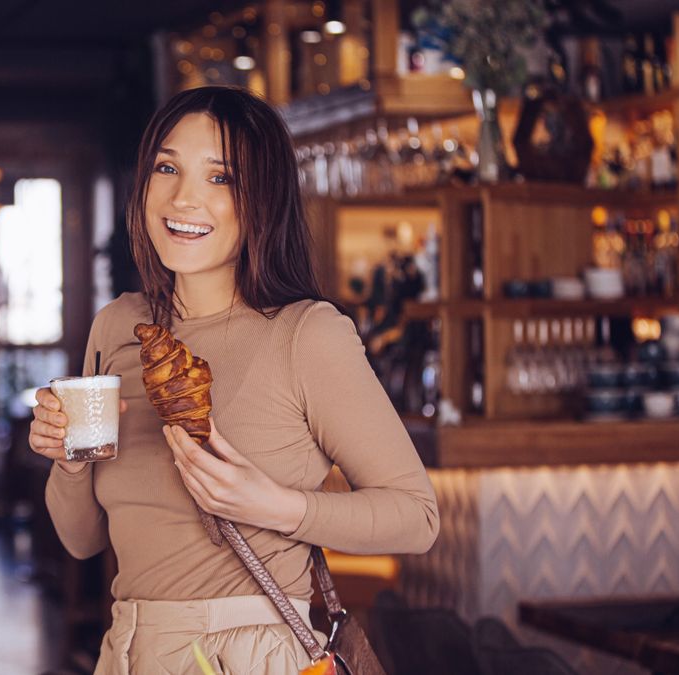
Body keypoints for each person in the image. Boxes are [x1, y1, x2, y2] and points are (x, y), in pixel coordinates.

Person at [30, 86, 440, 674]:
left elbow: (416, 516)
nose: (183, 198)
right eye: (166, 168)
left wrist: (277, 505)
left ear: (263, 199)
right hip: (131, 650)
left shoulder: (307, 333)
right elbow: (82, 541)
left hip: (250, 653)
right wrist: (68, 460)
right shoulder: (119, 326)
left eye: (221, 178)